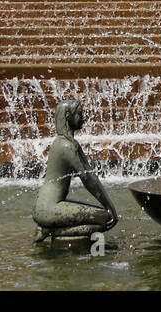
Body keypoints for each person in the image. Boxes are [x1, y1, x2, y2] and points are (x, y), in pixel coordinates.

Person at [32, 99, 119, 240]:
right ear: (68, 117)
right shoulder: (67, 147)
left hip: (44, 206)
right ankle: (52, 230)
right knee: (105, 218)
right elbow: (89, 180)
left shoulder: (63, 143)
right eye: (79, 114)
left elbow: (91, 175)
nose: (83, 117)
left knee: (101, 215)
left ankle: (49, 227)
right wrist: (111, 208)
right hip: (48, 209)